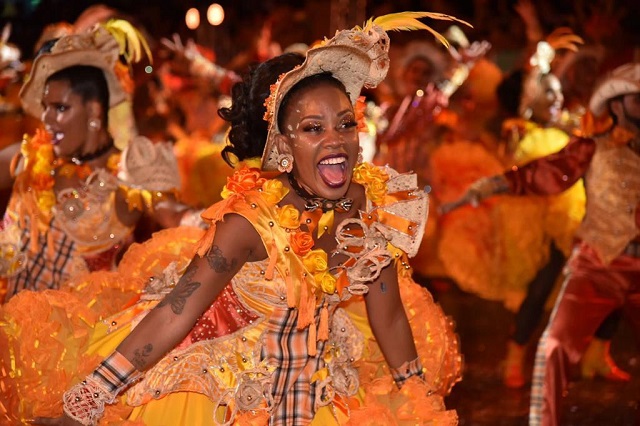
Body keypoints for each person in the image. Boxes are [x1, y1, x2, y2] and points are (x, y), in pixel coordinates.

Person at [28, 12, 463, 426]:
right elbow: (175, 312)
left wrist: (417, 397)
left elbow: (389, 316)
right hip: (226, 383)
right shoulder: (249, 221)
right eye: (313, 128)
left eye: (345, 124)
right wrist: (87, 403)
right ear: (283, 146)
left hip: (316, 381)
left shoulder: (375, 207)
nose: (335, 140)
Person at [444, 62, 640, 426]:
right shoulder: (586, 145)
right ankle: (529, 388)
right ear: (617, 105)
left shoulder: (573, 129)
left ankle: (597, 356)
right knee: (551, 339)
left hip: (616, 253)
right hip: (590, 256)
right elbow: (542, 174)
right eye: (637, 99)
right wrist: (490, 186)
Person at [0, 20, 191, 303]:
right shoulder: (25, 159)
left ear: (94, 111)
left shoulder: (130, 172)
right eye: (46, 107)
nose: (47, 119)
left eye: (60, 107)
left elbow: (179, 218)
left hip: (76, 329)